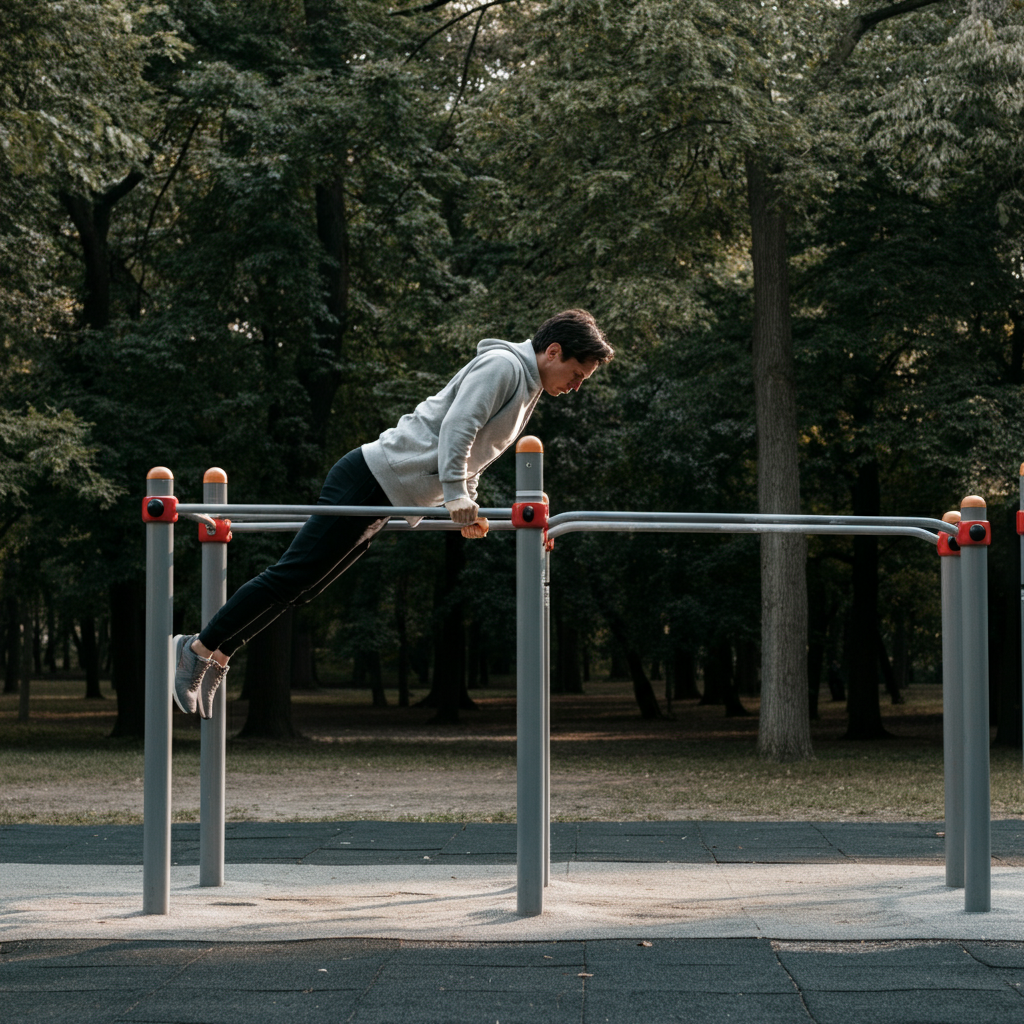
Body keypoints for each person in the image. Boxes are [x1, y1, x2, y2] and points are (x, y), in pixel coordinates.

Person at [172, 308, 614, 717]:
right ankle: (195, 648)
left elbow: (478, 449)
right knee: (293, 574)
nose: (576, 387)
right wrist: (456, 492)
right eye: (576, 374)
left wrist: (467, 501)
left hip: (388, 493)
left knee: (303, 588)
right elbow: (458, 427)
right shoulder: (503, 367)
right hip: (368, 478)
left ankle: (220, 655)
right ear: (553, 351)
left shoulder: (526, 385)